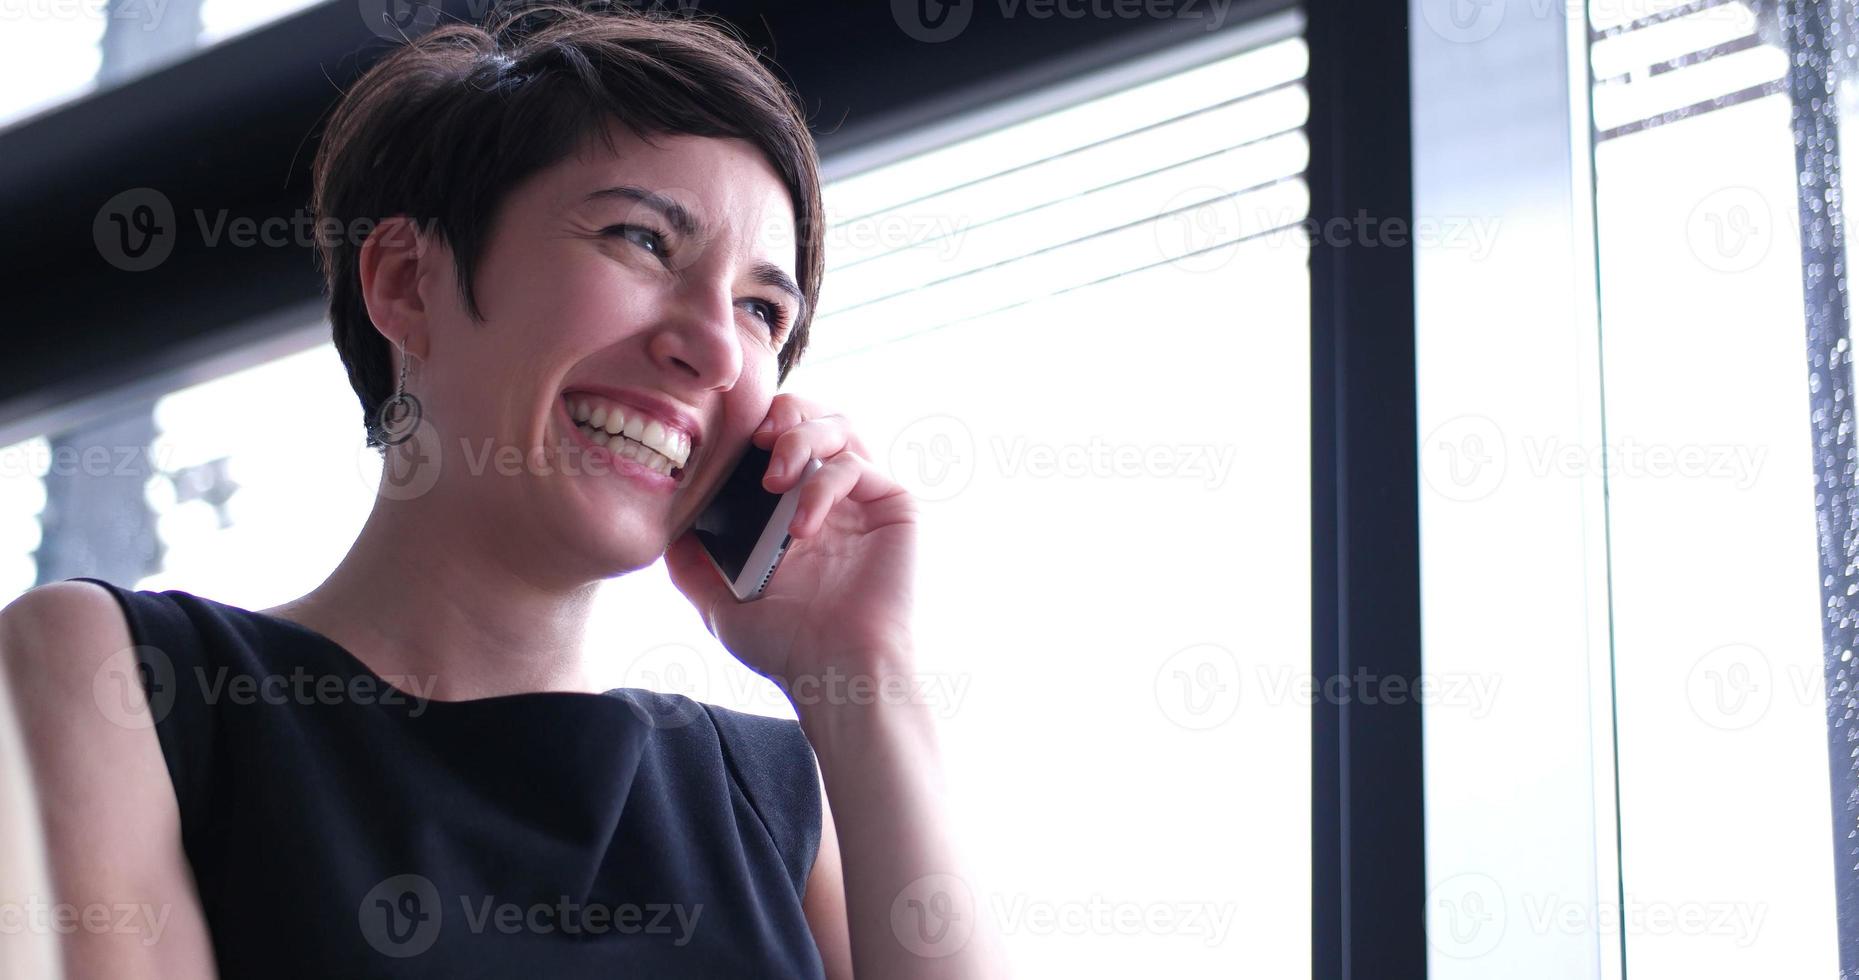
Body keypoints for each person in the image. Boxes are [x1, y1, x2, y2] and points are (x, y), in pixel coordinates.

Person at [0, 2, 1001, 976]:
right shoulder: (127, 679)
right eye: (640, 240)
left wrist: (861, 670)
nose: (707, 346)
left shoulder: (777, 799)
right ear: (404, 281)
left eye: (758, 308)